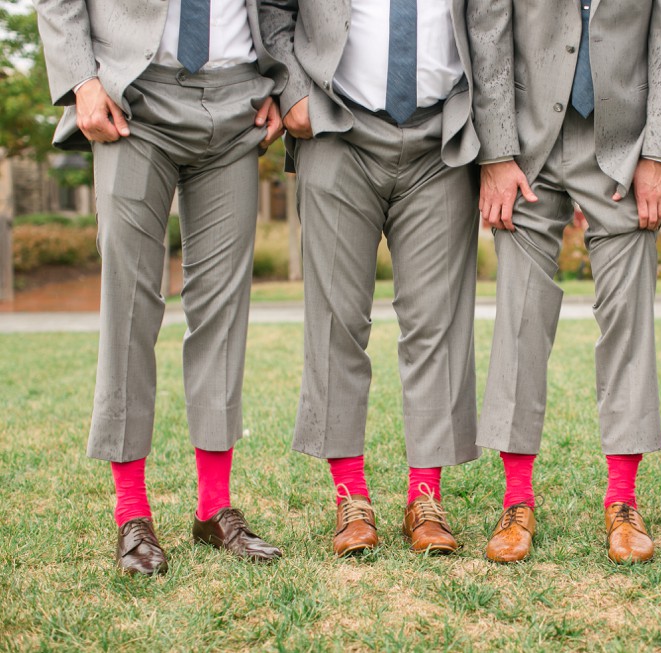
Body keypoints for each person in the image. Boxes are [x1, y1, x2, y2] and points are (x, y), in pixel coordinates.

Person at [34, 0, 289, 574]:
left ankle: (215, 508)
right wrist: (81, 78)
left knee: (223, 307)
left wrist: (282, 81)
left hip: (237, 100)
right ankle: (131, 512)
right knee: (130, 304)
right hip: (133, 96)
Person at [467, 0, 661, 563]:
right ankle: (516, 500)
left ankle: (623, 500)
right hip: (527, 141)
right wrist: (496, 150)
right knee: (519, 317)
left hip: (625, 141)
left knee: (628, 320)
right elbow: (489, 26)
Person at [259, 0, 481, 555]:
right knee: (337, 320)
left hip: (442, 133)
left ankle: (425, 495)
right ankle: (350, 496)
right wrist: (292, 90)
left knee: (437, 320)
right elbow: (273, 8)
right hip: (337, 126)